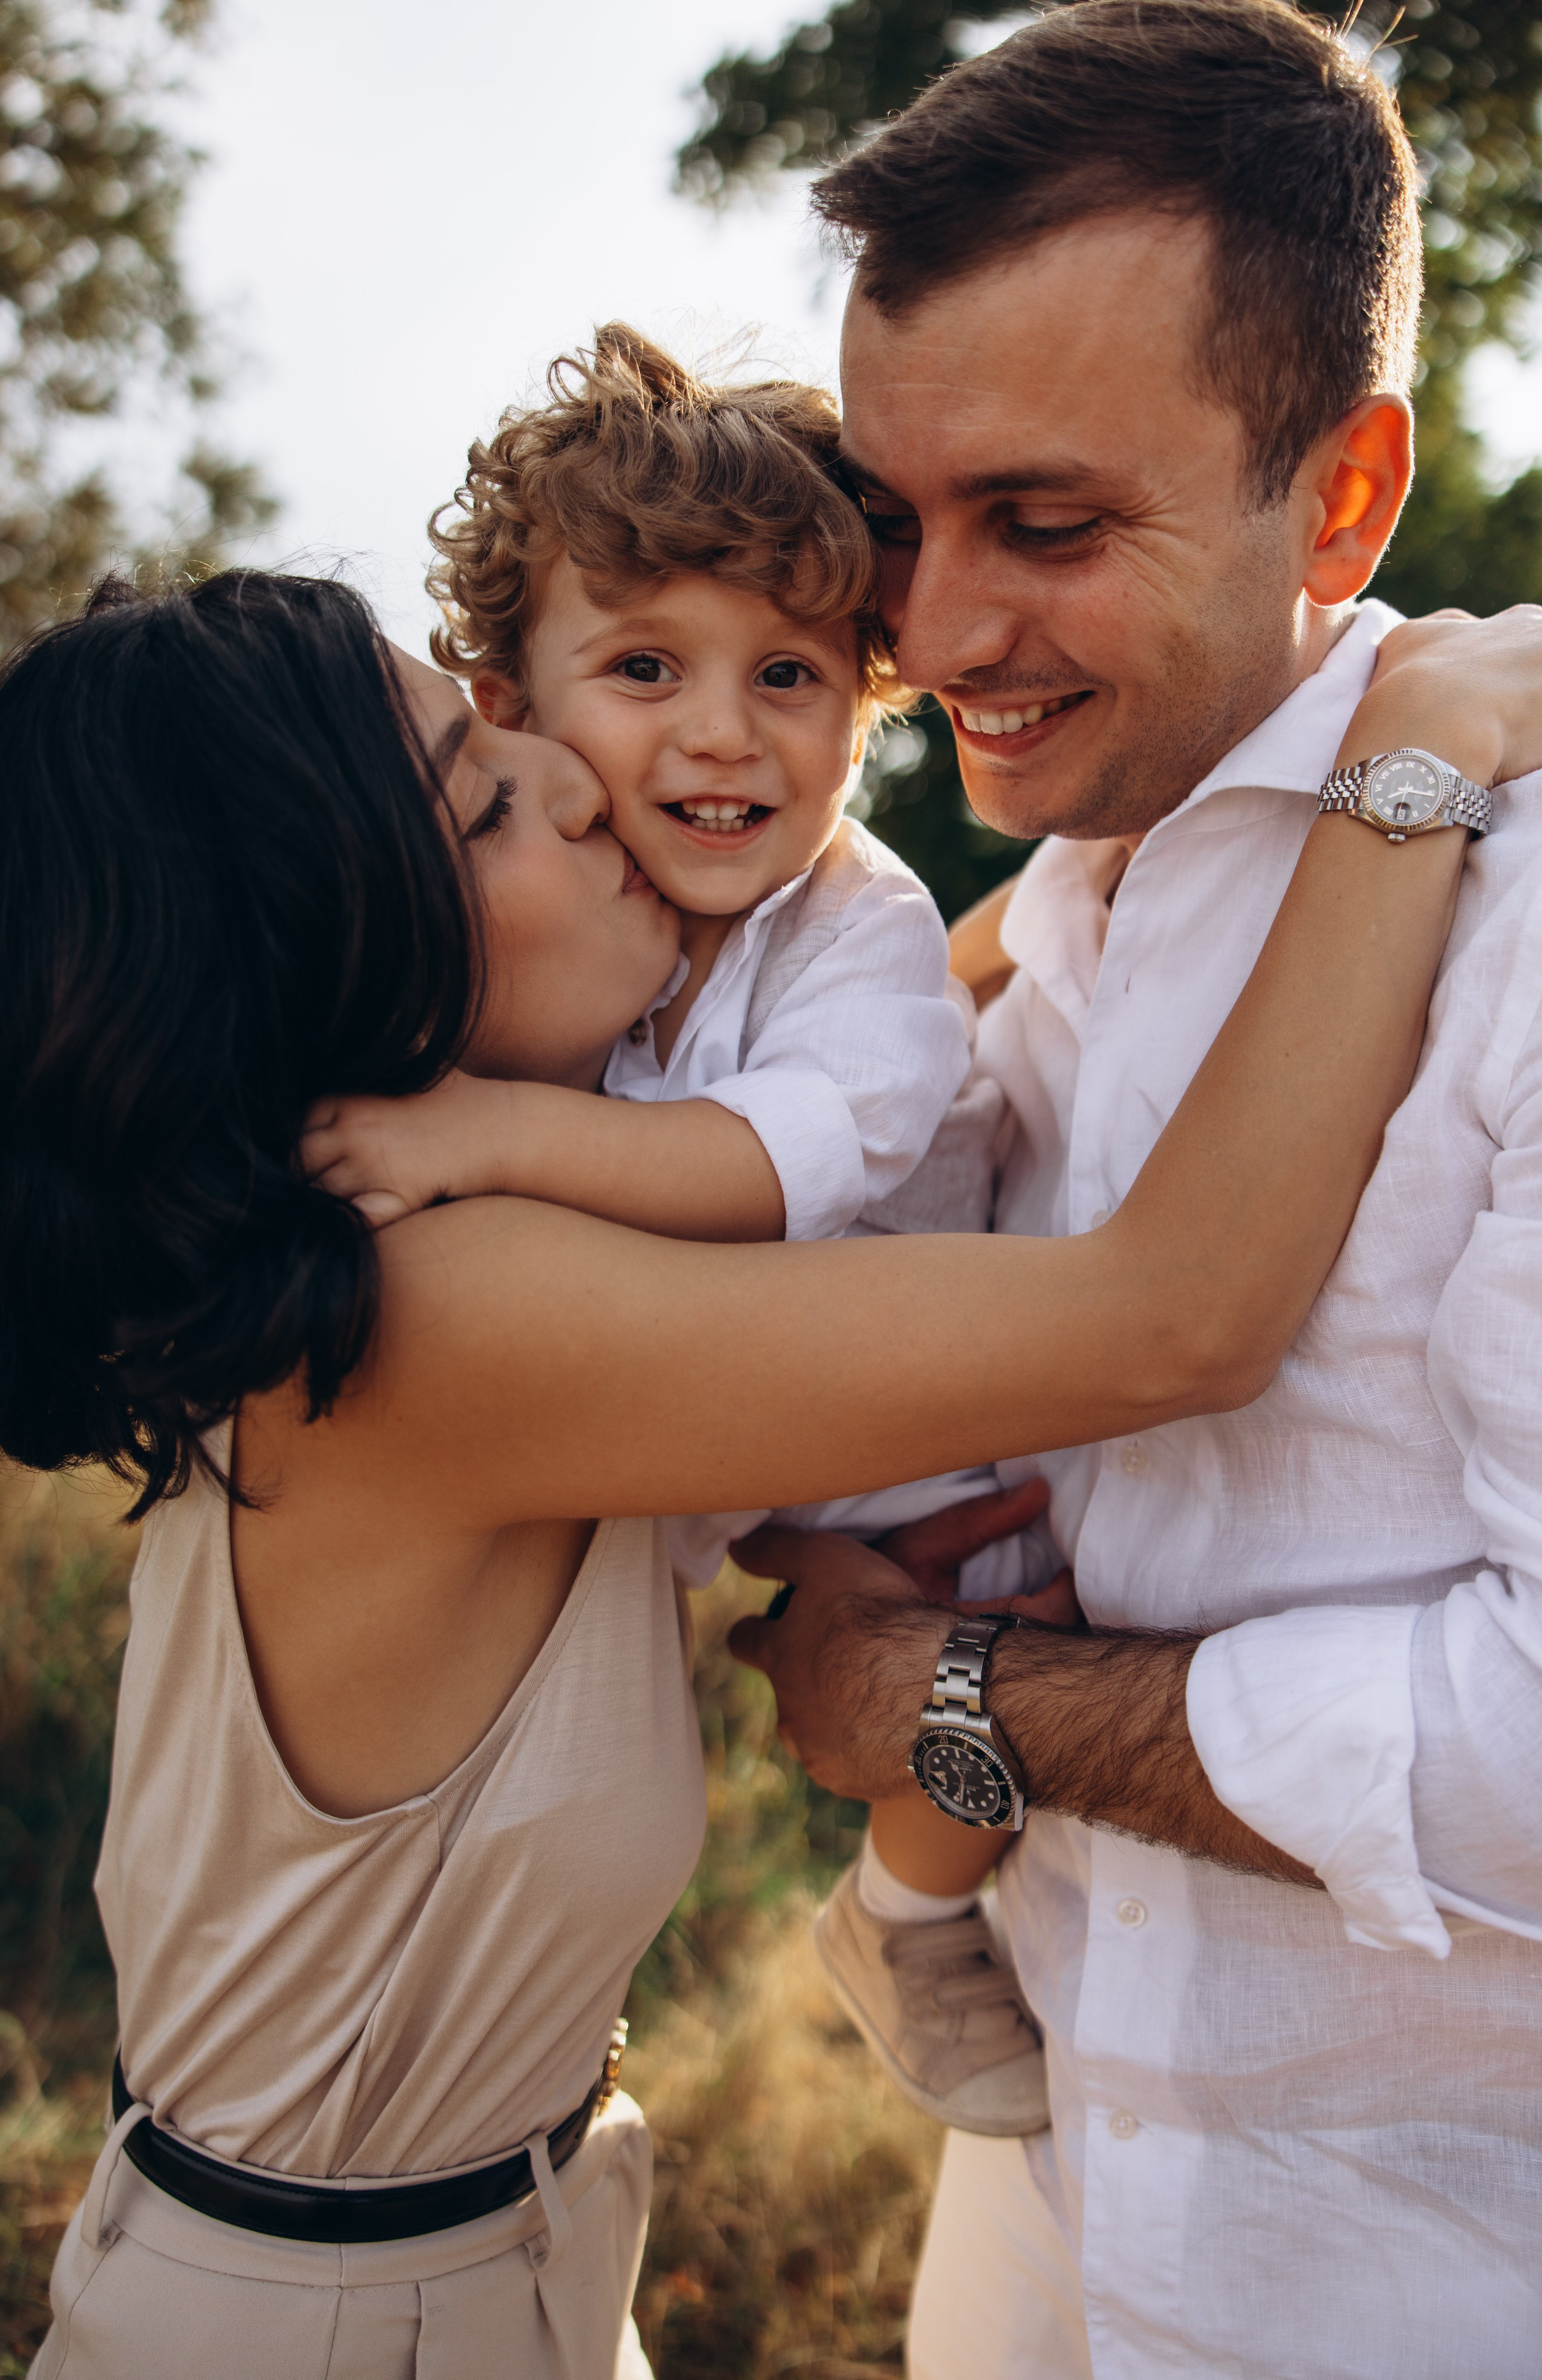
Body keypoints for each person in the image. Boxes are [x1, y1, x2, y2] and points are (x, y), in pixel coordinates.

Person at [0, 568, 1528, 2380]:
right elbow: (1180, 1315)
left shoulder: (384, 1260)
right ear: (330, 954)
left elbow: (842, 1061)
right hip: (321, 2328)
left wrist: (1088, 902)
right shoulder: (431, 1323)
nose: (568, 779)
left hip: (484, 2256)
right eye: (482, 802)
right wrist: (1406, 768)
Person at [728, 5, 1542, 2374]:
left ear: (1346, 499)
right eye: (896, 522)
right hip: (1045, 2186)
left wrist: (943, 1701)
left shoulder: (1515, 919)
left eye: (1051, 526)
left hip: (1429, 2269)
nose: (930, 635)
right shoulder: (1022, 929)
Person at [311, 321, 1068, 2136]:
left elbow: (786, 1165)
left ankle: (904, 1920)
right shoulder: (558, 928)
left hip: (918, 1443)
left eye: (791, 676)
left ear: (867, 709)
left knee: (1003, 1645)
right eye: (646, 666)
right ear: (508, 702)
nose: (724, 734)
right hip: (690, 1442)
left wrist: (490, 1137)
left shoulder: (856, 932)